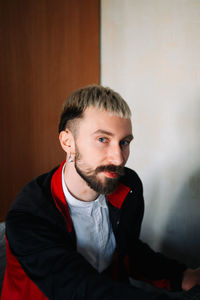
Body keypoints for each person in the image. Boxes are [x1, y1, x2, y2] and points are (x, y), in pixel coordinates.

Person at [1, 85, 200, 300]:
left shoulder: (127, 185)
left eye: (124, 142)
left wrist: (181, 275)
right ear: (68, 142)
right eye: (102, 140)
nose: (118, 158)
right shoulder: (29, 214)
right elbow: (78, 289)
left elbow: (129, 251)